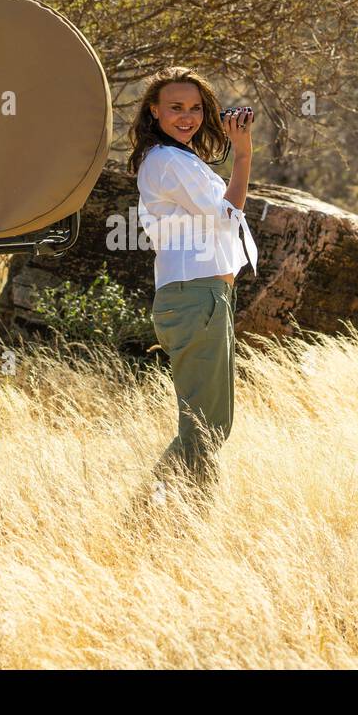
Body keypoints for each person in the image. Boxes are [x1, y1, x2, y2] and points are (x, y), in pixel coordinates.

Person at [126, 65, 259, 521]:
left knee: (210, 424)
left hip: (202, 297)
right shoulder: (166, 160)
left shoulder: (177, 160)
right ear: (154, 112)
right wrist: (242, 156)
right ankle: (159, 518)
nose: (188, 117)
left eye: (196, 108)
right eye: (176, 108)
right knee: (206, 426)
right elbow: (226, 217)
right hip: (195, 298)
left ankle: (167, 514)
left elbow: (214, 219)